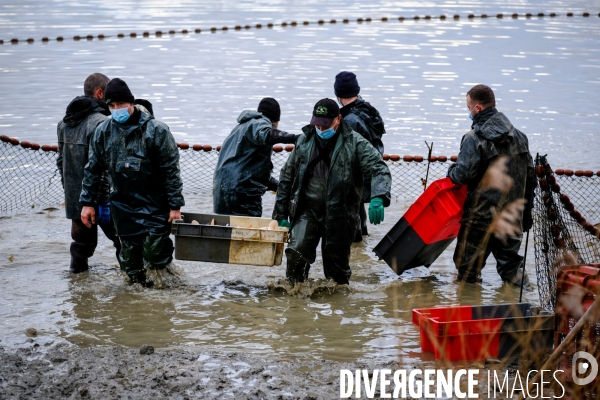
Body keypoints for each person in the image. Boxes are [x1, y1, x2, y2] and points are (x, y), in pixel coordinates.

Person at [273, 99, 392, 286]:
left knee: (337, 271)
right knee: (296, 251)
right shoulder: (304, 141)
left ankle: (338, 304)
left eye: (325, 124)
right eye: (317, 123)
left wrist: (378, 196)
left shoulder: (355, 142)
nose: (320, 127)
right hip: (308, 209)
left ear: (338, 119)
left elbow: (379, 168)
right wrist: (280, 213)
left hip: (340, 214)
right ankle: (294, 297)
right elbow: (287, 176)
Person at [79, 78, 184, 287]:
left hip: (155, 205)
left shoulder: (157, 131)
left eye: (120, 105)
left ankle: (164, 296)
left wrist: (175, 206)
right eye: (111, 106)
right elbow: (93, 169)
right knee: (130, 265)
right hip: (122, 207)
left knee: (155, 256)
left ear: (131, 103)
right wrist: (87, 203)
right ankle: (138, 291)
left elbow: (170, 171)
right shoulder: (103, 131)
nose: (116, 109)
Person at [447, 84, 535, 286]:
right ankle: (524, 311)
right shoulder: (520, 137)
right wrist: (525, 215)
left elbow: (462, 175)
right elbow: (531, 179)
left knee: (467, 273)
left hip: (480, 219)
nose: (468, 112)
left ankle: (468, 311)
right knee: (513, 270)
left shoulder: (473, 138)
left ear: (477, 108)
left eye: (468, 107)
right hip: (512, 217)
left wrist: (450, 170)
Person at [57, 73, 122, 273]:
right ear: (100, 93)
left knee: (80, 247)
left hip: (76, 199)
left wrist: (71, 193)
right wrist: (102, 200)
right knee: (124, 242)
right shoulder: (102, 123)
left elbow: (61, 162)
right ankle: (133, 284)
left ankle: (77, 293)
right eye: (109, 95)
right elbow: (103, 166)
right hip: (103, 200)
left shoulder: (64, 123)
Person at [213, 97, 300, 217]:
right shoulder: (260, 123)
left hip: (221, 192)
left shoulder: (240, 128)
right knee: (249, 230)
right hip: (241, 194)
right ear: (275, 120)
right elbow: (266, 134)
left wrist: (281, 187)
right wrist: (295, 138)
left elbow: (252, 172)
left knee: (227, 230)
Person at [334, 71, 386, 241]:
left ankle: (355, 245)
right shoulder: (370, 111)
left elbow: (346, 155)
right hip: (370, 171)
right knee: (359, 218)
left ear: (338, 94)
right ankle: (361, 245)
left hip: (354, 177)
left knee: (349, 232)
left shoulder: (349, 120)